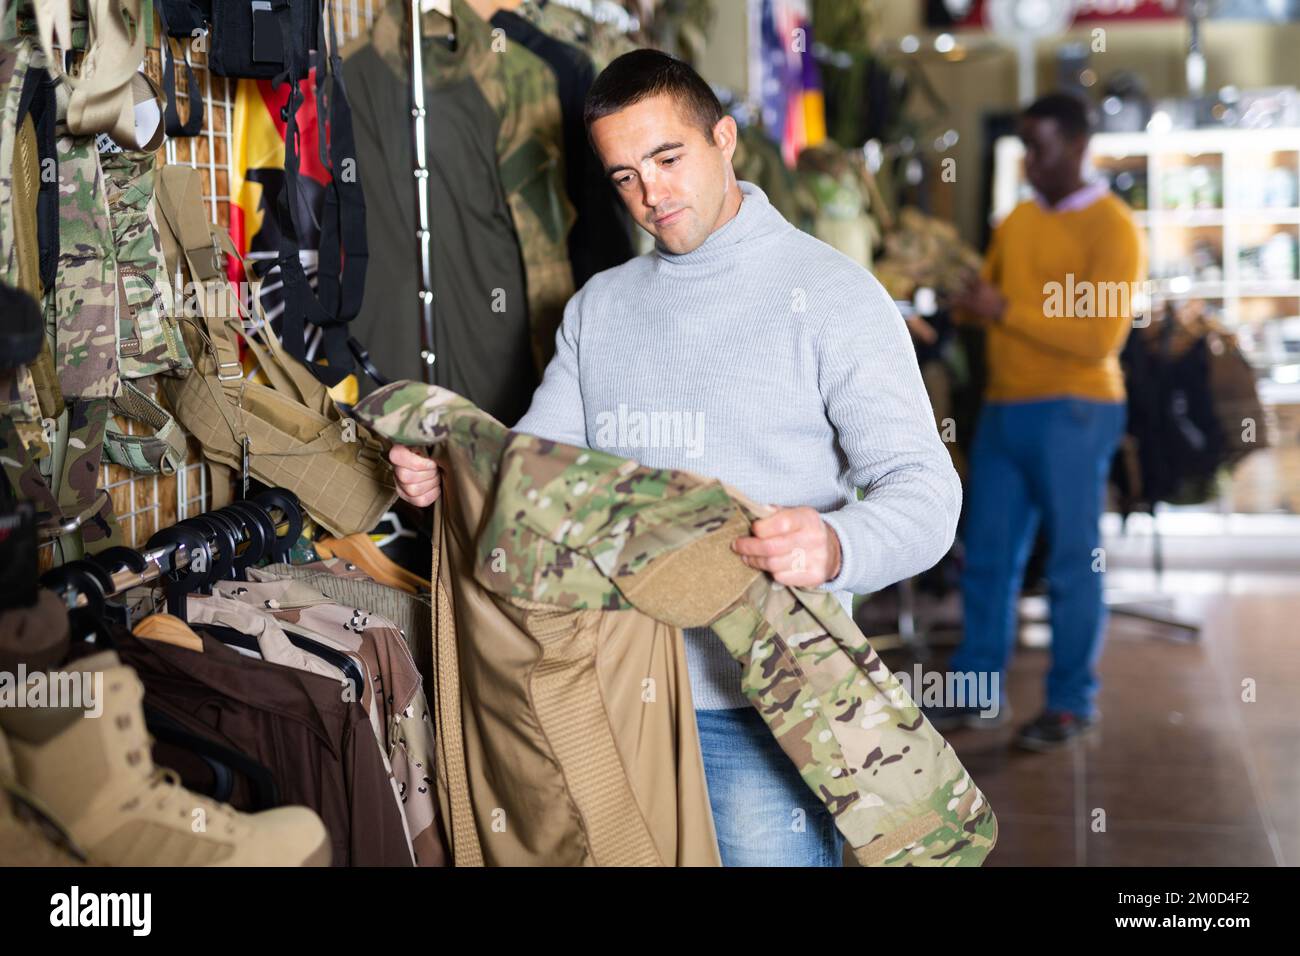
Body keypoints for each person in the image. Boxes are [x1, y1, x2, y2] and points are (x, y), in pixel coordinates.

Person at [388, 50, 961, 866]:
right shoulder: (601, 308)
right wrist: (449, 472)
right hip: (608, 695)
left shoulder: (834, 296)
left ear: (724, 138)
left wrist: (835, 544)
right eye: (623, 176)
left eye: (667, 157)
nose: (650, 193)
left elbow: (927, 495)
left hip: (761, 705)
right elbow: (537, 470)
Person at [928, 93, 1143, 751]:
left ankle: (1072, 704)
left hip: (1078, 409)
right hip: (1005, 406)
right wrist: (960, 301)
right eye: (1023, 147)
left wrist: (1002, 309)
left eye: (1041, 148)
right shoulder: (1018, 219)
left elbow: (1100, 338)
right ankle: (975, 691)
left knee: (1074, 561)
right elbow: (987, 303)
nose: (1030, 162)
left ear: (1079, 147)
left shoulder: (1113, 227)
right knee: (988, 557)